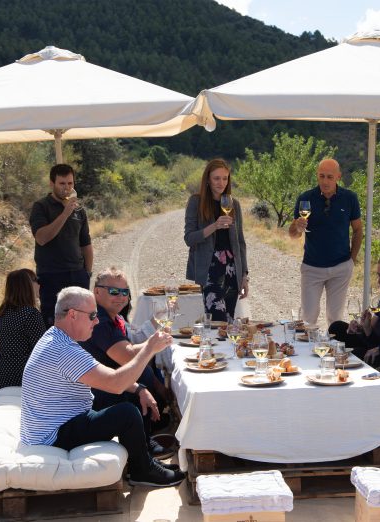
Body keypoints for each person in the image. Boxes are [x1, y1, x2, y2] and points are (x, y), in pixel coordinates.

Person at [20, 287, 184, 488]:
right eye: (92, 316)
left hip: (53, 425)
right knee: (127, 413)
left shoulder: (56, 338)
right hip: (53, 436)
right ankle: (142, 470)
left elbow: (102, 375)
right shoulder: (63, 350)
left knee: (129, 396)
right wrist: (150, 348)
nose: (97, 321)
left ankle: (143, 458)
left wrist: (138, 389)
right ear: (72, 315)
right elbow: (115, 383)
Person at [80, 268, 173, 457]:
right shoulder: (100, 321)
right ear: (97, 292)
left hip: (108, 381)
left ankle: (147, 434)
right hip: (93, 392)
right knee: (141, 379)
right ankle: (142, 451)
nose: (121, 297)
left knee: (146, 376)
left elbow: (131, 348)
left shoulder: (111, 316)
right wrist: (152, 345)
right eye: (114, 291)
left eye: (125, 292)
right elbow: (128, 356)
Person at [289, 158, 363, 326]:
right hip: (312, 268)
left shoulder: (350, 198)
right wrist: (297, 226)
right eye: (321, 176)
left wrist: (352, 259)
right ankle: (307, 351)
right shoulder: (306, 198)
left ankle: (333, 351)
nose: (325, 181)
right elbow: (293, 234)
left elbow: (358, 229)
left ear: (338, 176)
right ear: (317, 176)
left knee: (335, 319)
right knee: (308, 317)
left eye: (330, 177)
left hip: (341, 268)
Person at [184, 159, 249, 322]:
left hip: (232, 268)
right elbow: (189, 238)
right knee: (216, 320)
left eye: (225, 178)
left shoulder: (234, 204)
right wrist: (214, 226)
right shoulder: (196, 202)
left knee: (229, 320)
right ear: (207, 179)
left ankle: (225, 348)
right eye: (216, 178)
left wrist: (244, 275)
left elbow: (240, 242)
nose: (221, 183)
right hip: (209, 268)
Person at [30, 164, 93, 326]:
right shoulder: (41, 207)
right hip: (52, 276)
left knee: (81, 322)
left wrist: (87, 273)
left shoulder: (79, 211)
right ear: (52, 184)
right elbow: (42, 238)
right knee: (54, 323)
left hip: (77, 274)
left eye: (70, 183)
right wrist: (65, 213)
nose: (67, 188)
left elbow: (85, 243)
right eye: (62, 183)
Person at [329, 255, 380, 357]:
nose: (379, 280)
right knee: (337, 327)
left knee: (357, 352)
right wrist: (359, 328)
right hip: (373, 341)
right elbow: (370, 327)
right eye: (379, 275)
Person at [0, 268, 46, 394]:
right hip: (19, 379)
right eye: (36, 280)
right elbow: (43, 353)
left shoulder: (4, 313)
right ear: (27, 286)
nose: (39, 285)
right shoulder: (30, 314)